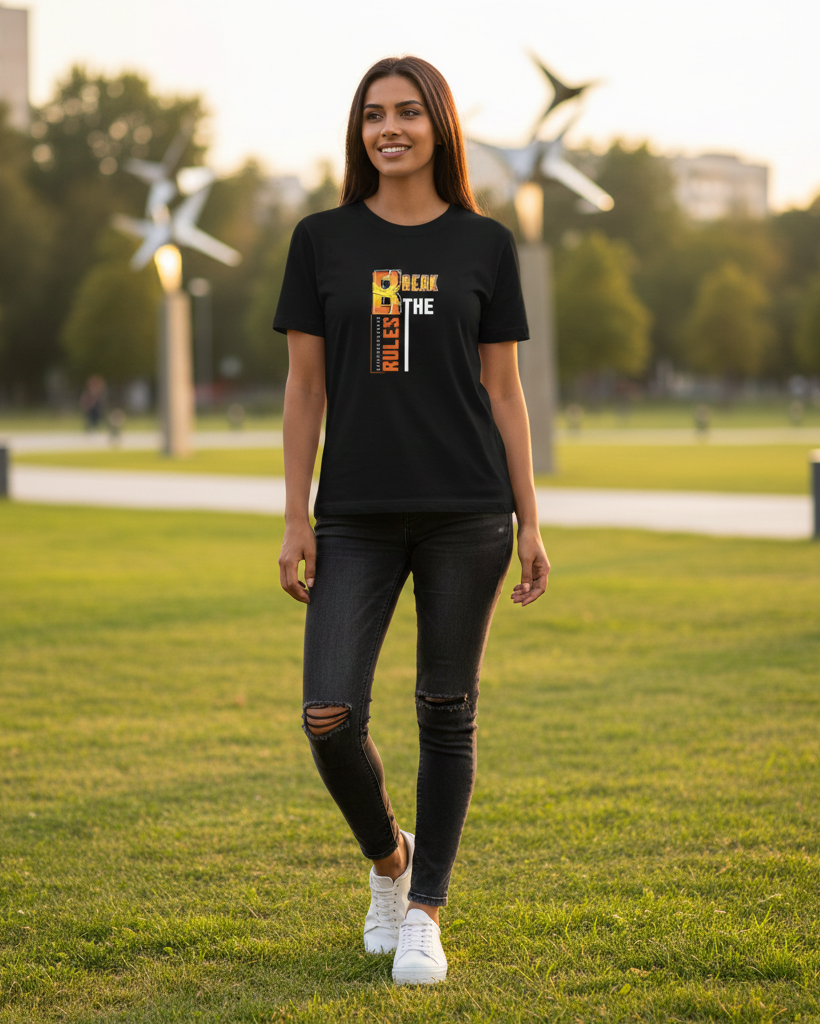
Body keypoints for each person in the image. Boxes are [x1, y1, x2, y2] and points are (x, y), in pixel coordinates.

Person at [274, 55, 550, 986]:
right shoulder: (321, 239)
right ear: (360, 132)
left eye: (406, 113)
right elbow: (303, 388)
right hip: (351, 513)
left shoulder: (485, 244)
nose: (389, 129)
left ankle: (426, 911)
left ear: (439, 124)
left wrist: (533, 521)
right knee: (328, 715)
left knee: (446, 709)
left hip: (468, 512)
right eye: (373, 115)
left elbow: (505, 397)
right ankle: (391, 862)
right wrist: (293, 517)